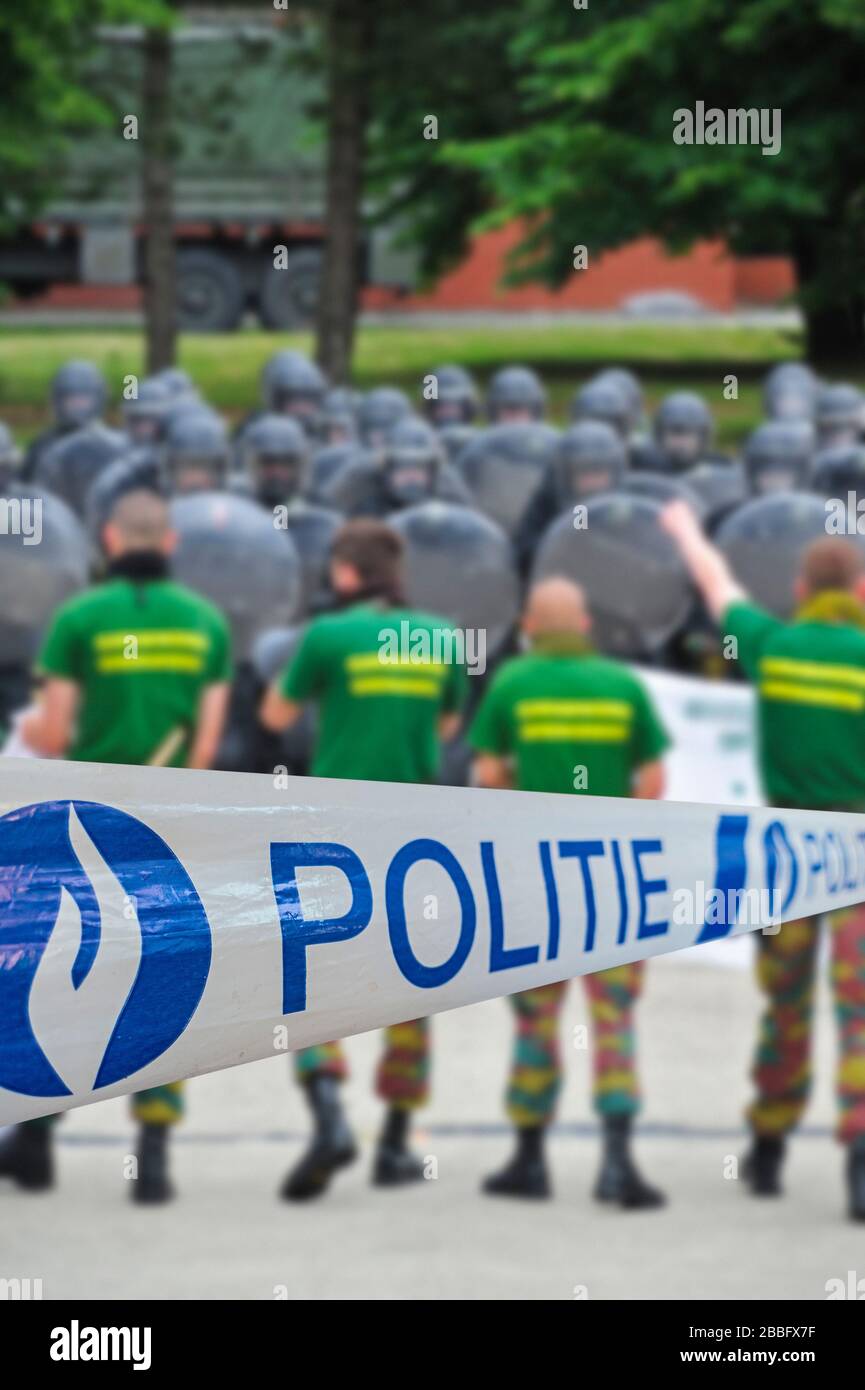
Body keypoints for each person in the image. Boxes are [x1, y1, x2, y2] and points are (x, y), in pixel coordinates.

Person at [0, 489, 232, 1203]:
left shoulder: (78, 618)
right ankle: (153, 1155)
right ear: (168, 545)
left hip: (90, 822)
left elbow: (55, 733)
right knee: (166, 983)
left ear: (107, 540)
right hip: (174, 823)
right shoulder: (206, 623)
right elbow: (208, 738)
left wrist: (31, 732)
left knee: (64, 968)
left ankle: (36, 1138)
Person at [661, 499, 865, 1221]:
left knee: (784, 1006)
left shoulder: (772, 646)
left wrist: (687, 532)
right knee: (859, 1013)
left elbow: (719, 591)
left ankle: (768, 1148)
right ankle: (859, 1160)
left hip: (784, 862)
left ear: (802, 591)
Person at [260, 519, 467, 1200]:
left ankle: (327, 1117)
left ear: (347, 574)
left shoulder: (325, 636)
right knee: (412, 983)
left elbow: (274, 716)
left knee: (312, 982)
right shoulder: (440, 637)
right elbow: (446, 726)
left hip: (329, 832)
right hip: (411, 837)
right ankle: (395, 1145)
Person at [468, 577, 668, 1209]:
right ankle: (617, 1163)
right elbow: (655, 780)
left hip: (537, 883)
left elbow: (489, 774)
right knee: (613, 1017)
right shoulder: (624, 686)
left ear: (529, 625)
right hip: (612, 884)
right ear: (584, 626)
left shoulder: (510, 685)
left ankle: (529, 1161)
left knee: (535, 1018)